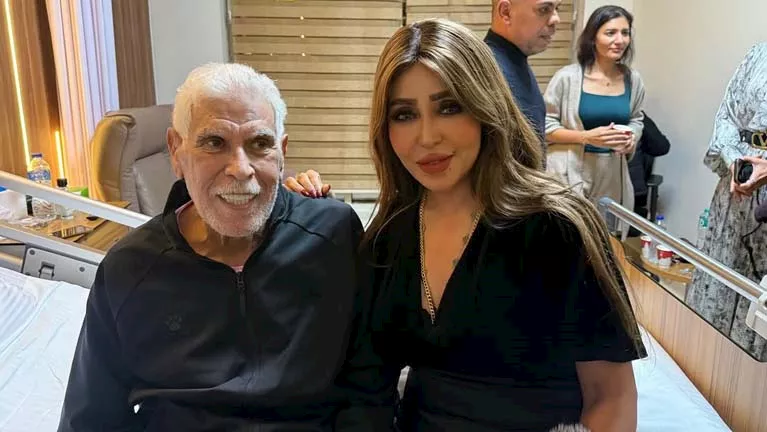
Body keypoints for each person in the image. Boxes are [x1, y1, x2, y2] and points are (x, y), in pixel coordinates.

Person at [285, 18, 645, 431]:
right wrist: (302, 213)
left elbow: (611, 396)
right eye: (404, 114)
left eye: (449, 107)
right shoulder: (390, 237)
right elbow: (367, 386)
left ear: (485, 106)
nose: (427, 137)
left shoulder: (557, 227)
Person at [57, 63, 394, 431]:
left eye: (260, 143)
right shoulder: (131, 268)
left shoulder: (332, 237)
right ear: (176, 152)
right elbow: (91, 418)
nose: (240, 168)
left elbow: (369, 388)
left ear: (282, 152)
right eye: (214, 143)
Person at [686, 42, 767, 361]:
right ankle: (703, 366)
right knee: (720, 274)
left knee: (757, 300)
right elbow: (727, 117)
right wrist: (734, 159)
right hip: (736, 186)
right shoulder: (759, 53)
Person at [543, 5, 645, 233]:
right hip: (569, 173)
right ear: (593, 37)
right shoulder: (567, 78)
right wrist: (586, 137)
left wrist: (631, 138)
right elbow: (544, 127)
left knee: (605, 239)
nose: (619, 40)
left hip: (611, 176)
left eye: (625, 33)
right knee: (568, 237)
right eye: (610, 33)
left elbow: (637, 120)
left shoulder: (633, 80)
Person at [485, 0, 562, 157]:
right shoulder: (488, 72)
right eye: (544, 9)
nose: (556, 19)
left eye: (557, 8)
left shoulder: (514, 60)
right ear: (506, 12)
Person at [627, 112, 670, 222]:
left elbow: (662, 147)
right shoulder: (636, 117)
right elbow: (661, 147)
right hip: (633, 193)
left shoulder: (636, 117)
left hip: (632, 194)